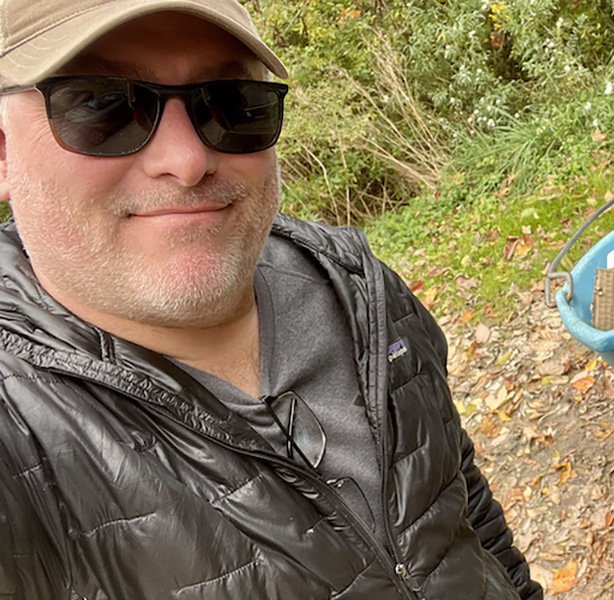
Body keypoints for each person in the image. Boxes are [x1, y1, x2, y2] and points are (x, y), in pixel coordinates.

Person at [0, 1, 542, 598]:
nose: (187, 161)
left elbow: (462, 511)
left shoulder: (359, 288)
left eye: (227, 100)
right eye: (100, 105)